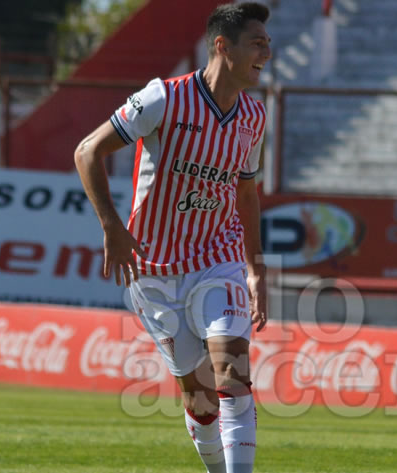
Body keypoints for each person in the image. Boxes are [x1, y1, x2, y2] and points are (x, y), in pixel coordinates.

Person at [73, 3, 271, 472]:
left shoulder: (254, 116)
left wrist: (255, 268)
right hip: (154, 269)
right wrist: (112, 227)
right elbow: (87, 151)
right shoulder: (164, 98)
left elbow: (246, 194)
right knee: (201, 403)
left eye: (268, 42)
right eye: (257, 43)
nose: (267, 52)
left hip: (217, 259)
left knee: (232, 373)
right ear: (222, 46)